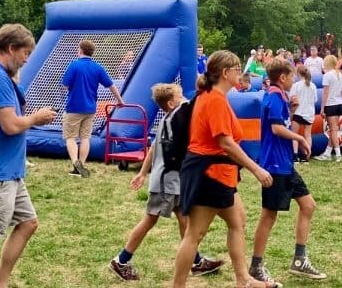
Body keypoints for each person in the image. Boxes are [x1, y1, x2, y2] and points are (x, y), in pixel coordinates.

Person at [171, 50, 275, 288]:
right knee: (195, 233)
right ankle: (178, 285)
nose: (241, 73)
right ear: (226, 73)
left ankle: (243, 279)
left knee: (238, 221)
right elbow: (225, 142)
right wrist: (256, 169)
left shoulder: (212, 96)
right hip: (209, 175)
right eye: (237, 69)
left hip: (218, 173)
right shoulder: (215, 100)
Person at [0, 24, 56, 288]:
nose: (27, 60)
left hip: (8, 171)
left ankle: (0, 284)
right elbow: (10, 125)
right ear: (11, 48)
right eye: (25, 53)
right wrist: (36, 118)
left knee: (28, 223)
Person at [109, 83, 223, 281]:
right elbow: (192, 105)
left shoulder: (168, 120)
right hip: (166, 182)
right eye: (180, 96)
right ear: (171, 103)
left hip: (173, 180)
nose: (184, 98)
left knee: (184, 219)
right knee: (150, 219)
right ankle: (121, 260)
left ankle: (196, 261)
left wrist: (142, 173)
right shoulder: (175, 119)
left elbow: (153, 149)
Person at [249, 59, 325, 284]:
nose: (293, 79)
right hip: (274, 165)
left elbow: (281, 123)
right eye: (291, 76)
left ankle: (300, 260)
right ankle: (256, 266)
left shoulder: (280, 96)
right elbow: (276, 129)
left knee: (308, 205)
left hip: (285, 164)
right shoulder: (273, 95)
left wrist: (291, 112)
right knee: (269, 215)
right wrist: (300, 138)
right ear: (282, 77)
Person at [62, 39, 124, 177]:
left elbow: (65, 85)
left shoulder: (74, 65)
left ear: (80, 50)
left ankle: (75, 163)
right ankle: (82, 164)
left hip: (74, 107)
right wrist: (120, 100)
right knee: (85, 138)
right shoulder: (97, 67)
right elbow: (111, 85)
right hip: (90, 108)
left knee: (70, 137)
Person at [313, 55, 342, 162]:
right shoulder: (340, 75)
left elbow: (325, 93)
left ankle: (338, 154)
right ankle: (327, 152)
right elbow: (341, 92)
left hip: (331, 104)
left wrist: (322, 108)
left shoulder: (327, 75)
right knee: (334, 129)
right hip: (339, 104)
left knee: (333, 130)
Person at [289, 65, 316, 162]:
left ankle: (295, 155)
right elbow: (315, 99)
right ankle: (306, 155)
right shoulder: (313, 86)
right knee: (308, 135)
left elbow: (291, 98)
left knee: (294, 135)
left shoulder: (296, 85)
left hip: (298, 112)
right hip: (309, 113)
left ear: (298, 74)